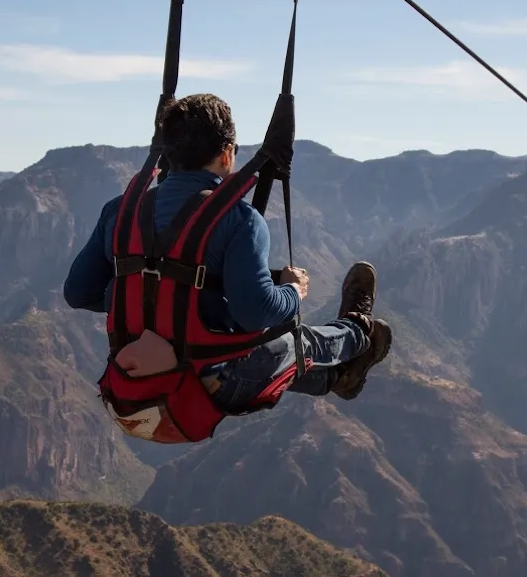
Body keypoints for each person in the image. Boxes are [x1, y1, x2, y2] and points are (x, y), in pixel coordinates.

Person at [63, 93, 392, 418]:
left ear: (168, 151)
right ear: (226, 154)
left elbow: (78, 292)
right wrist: (294, 290)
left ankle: (340, 376)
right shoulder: (240, 220)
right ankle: (359, 332)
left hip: (134, 376)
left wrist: (143, 294)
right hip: (211, 383)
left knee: (271, 355)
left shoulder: (118, 212)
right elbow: (256, 313)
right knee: (295, 343)